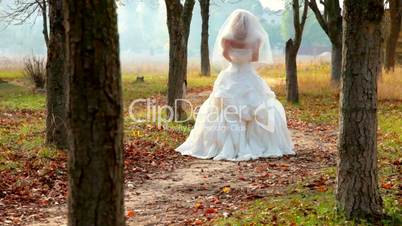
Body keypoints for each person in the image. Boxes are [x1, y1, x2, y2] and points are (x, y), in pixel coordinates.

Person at [176, 9, 294, 161]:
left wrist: (235, 58)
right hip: (248, 75)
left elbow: (224, 54)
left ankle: (224, 145)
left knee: (222, 109)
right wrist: (243, 57)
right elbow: (255, 57)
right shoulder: (256, 38)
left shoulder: (226, 38)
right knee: (260, 107)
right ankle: (258, 143)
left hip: (231, 74)